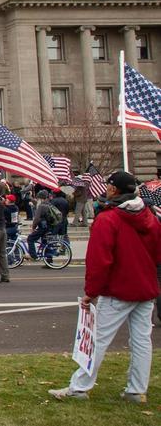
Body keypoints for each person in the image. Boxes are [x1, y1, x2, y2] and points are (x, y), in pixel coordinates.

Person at [51, 171, 161, 403]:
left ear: (114, 189)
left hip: (118, 289)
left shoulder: (109, 219)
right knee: (142, 341)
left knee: (97, 339)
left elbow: (99, 260)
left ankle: (80, 386)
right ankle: (137, 390)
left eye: (110, 185)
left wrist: (91, 291)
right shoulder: (149, 216)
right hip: (146, 287)